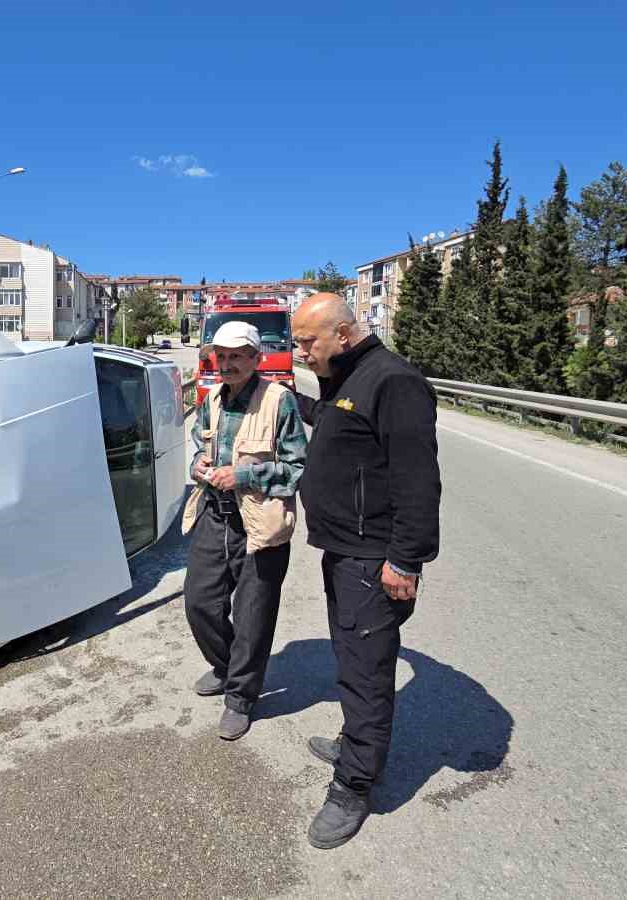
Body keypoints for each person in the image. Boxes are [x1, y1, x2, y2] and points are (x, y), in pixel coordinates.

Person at [289, 293, 441, 850]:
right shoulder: (348, 376)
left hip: (372, 558)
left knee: (366, 673)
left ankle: (353, 786)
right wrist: (289, 398)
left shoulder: (393, 380)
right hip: (344, 551)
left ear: (343, 334)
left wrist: (405, 560)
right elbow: (336, 425)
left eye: (308, 342)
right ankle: (356, 743)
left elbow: (418, 478)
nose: (301, 351)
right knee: (352, 658)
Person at [181, 320, 307, 740]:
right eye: (222, 355)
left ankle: (240, 698)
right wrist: (198, 464)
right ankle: (226, 667)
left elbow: (297, 468)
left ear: (257, 358)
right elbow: (201, 444)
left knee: (253, 616)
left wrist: (244, 475)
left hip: (260, 523)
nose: (227, 363)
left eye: (237, 356)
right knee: (200, 603)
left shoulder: (279, 400)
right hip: (214, 515)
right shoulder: (213, 399)